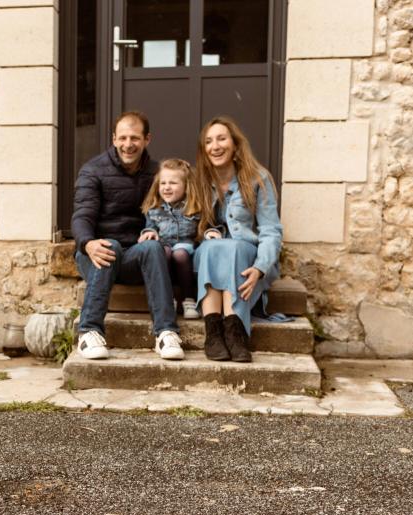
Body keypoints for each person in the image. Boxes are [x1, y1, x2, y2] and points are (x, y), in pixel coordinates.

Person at [71, 111, 185, 361]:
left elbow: (175, 207)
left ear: (147, 139)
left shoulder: (157, 173)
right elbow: (82, 216)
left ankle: (166, 332)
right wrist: (87, 243)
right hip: (96, 254)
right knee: (109, 245)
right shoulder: (93, 170)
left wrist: (156, 232)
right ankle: (88, 332)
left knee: (153, 248)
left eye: (135, 138)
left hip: (134, 254)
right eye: (122, 138)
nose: (128, 144)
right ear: (114, 139)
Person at [192, 116, 283, 363]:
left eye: (222, 139)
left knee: (232, 249)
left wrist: (261, 267)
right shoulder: (198, 180)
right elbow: (186, 225)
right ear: (204, 149)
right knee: (212, 247)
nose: (215, 146)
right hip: (210, 256)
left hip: (247, 255)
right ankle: (214, 332)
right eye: (209, 141)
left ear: (234, 145)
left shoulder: (257, 177)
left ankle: (234, 332)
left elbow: (271, 230)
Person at [138, 158, 203, 320]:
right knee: (164, 252)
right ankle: (168, 300)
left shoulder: (194, 207)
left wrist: (210, 234)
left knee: (179, 253)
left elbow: (204, 229)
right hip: (165, 244)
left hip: (186, 248)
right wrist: (149, 232)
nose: (166, 187)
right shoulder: (154, 207)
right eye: (163, 183)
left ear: (186, 186)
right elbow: (150, 226)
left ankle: (189, 299)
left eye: (173, 183)